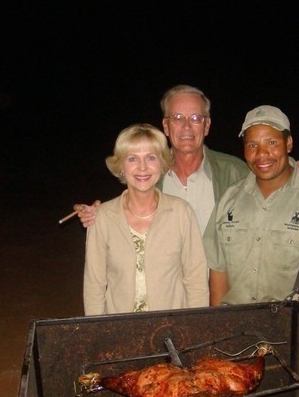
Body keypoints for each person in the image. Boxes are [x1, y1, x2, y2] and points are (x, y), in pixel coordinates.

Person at [75, 85, 299, 233]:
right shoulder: (148, 173)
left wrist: (296, 167)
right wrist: (101, 214)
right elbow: (128, 209)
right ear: (166, 125)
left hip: (216, 292)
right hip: (165, 295)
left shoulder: (233, 172)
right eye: (177, 118)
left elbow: (270, 178)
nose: (186, 127)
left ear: (207, 126)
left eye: (195, 119)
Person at [203, 105, 299, 306]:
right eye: (252, 145)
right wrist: (220, 328)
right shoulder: (229, 200)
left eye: (271, 142)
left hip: (292, 330)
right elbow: (218, 270)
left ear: (288, 143)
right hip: (238, 328)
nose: (262, 154)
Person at [83, 123, 208, 315]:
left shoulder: (181, 213)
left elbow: (195, 279)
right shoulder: (102, 217)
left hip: (171, 330)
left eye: (151, 157)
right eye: (132, 158)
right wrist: (96, 333)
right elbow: (94, 284)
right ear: (121, 166)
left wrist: (195, 328)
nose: (142, 167)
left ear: (162, 163)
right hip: (120, 330)